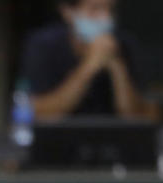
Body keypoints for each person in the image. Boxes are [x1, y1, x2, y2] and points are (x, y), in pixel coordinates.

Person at [22, 0, 155, 120]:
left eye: (110, 10)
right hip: (58, 140)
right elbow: (41, 113)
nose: (105, 18)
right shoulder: (44, 45)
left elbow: (136, 116)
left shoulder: (125, 44)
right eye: (95, 9)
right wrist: (89, 67)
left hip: (112, 139)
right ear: (68, 11)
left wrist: (117, 66)